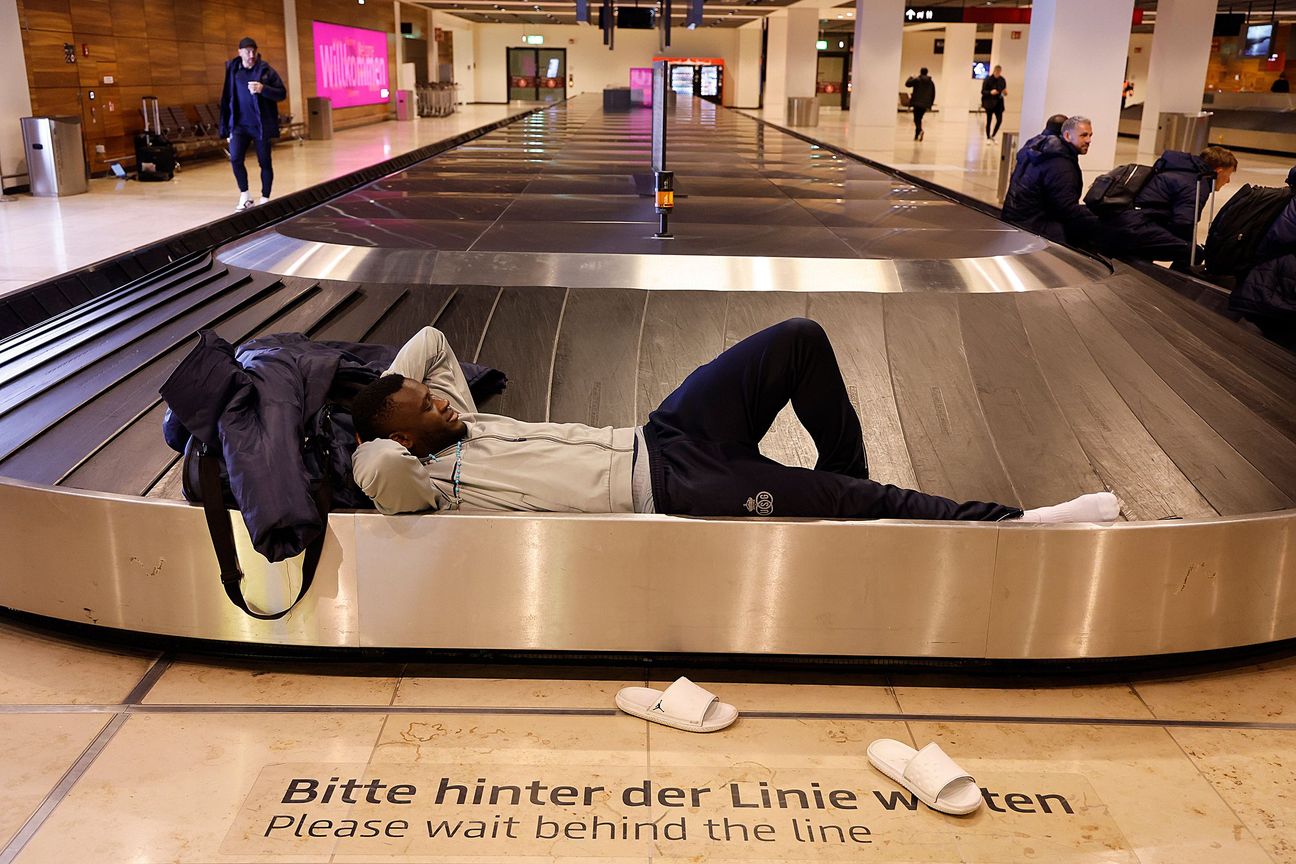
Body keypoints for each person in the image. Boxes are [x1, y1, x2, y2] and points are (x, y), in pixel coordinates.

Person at [351, 319, 1118, 524]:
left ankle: (840, 481)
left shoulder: (464, 422)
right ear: (405, 439)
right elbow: (378, 474)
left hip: (664, 432)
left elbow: (432, 343)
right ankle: (1026, 522)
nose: (444, 398)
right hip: (678, 488)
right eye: (430, 405)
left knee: (797, 341)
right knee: (865, 504)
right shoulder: (432, 486)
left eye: (433, 395)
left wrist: (388, 390)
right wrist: (367, 432)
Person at [1096, 145, 1237, 267]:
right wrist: (1189, 247)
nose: (1228, 181)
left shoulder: (1175, 168)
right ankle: (1175, 290)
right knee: (1194, 253)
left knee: (1178, 243)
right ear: (1218, 171)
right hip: (1135, 227)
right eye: (1228, 175)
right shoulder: (1197, 183)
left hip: (1126, 221)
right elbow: (1184, 223)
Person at [1001, 115, 1099, 246]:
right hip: (1036, 228)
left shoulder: (1033, 149)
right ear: (1066, 135)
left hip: (1013, 219)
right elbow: (1065, 208)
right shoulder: (1060, 163)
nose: (1089, 140)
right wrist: (1096, 214)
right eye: (1083, 135)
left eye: (1090, 135)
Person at [218, 37, 286, 212]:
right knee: (235, 158)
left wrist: (264, 89)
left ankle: (265, 197)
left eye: (253, 51)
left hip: (260, 126)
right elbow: (227, 98)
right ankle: (245, 195)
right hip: (239, 125)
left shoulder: (265, 71)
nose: (251, 55)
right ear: (239, 52)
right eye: (247, 51)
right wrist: (227, 126)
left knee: (264, 162)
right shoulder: (233, 70)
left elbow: (281, 93)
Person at [905, 67, 936, 141]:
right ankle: (916, 135)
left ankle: (920, 130)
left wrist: (911, 77)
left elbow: (907, 84)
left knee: (916, 119)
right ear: (927, 72)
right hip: (925, 104)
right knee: (919, 118)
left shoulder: (917, 80)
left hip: (917, 103)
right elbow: (933, 94)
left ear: (920, 72)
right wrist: (930, 104)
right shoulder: (931, 82)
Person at [981, 65, 1007, 140]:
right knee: (989, 120)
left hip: (999, 103)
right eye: (997, 71)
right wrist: (990, 92)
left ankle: (993, 135)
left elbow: (1003, 90)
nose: (998, 73)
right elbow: (983, 91)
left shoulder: (1002, 80)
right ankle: (988, 136)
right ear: (994, 71)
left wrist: (1004, 93)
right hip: (989, 103)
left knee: (999, 120)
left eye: (999, 72)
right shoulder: (988, 79)